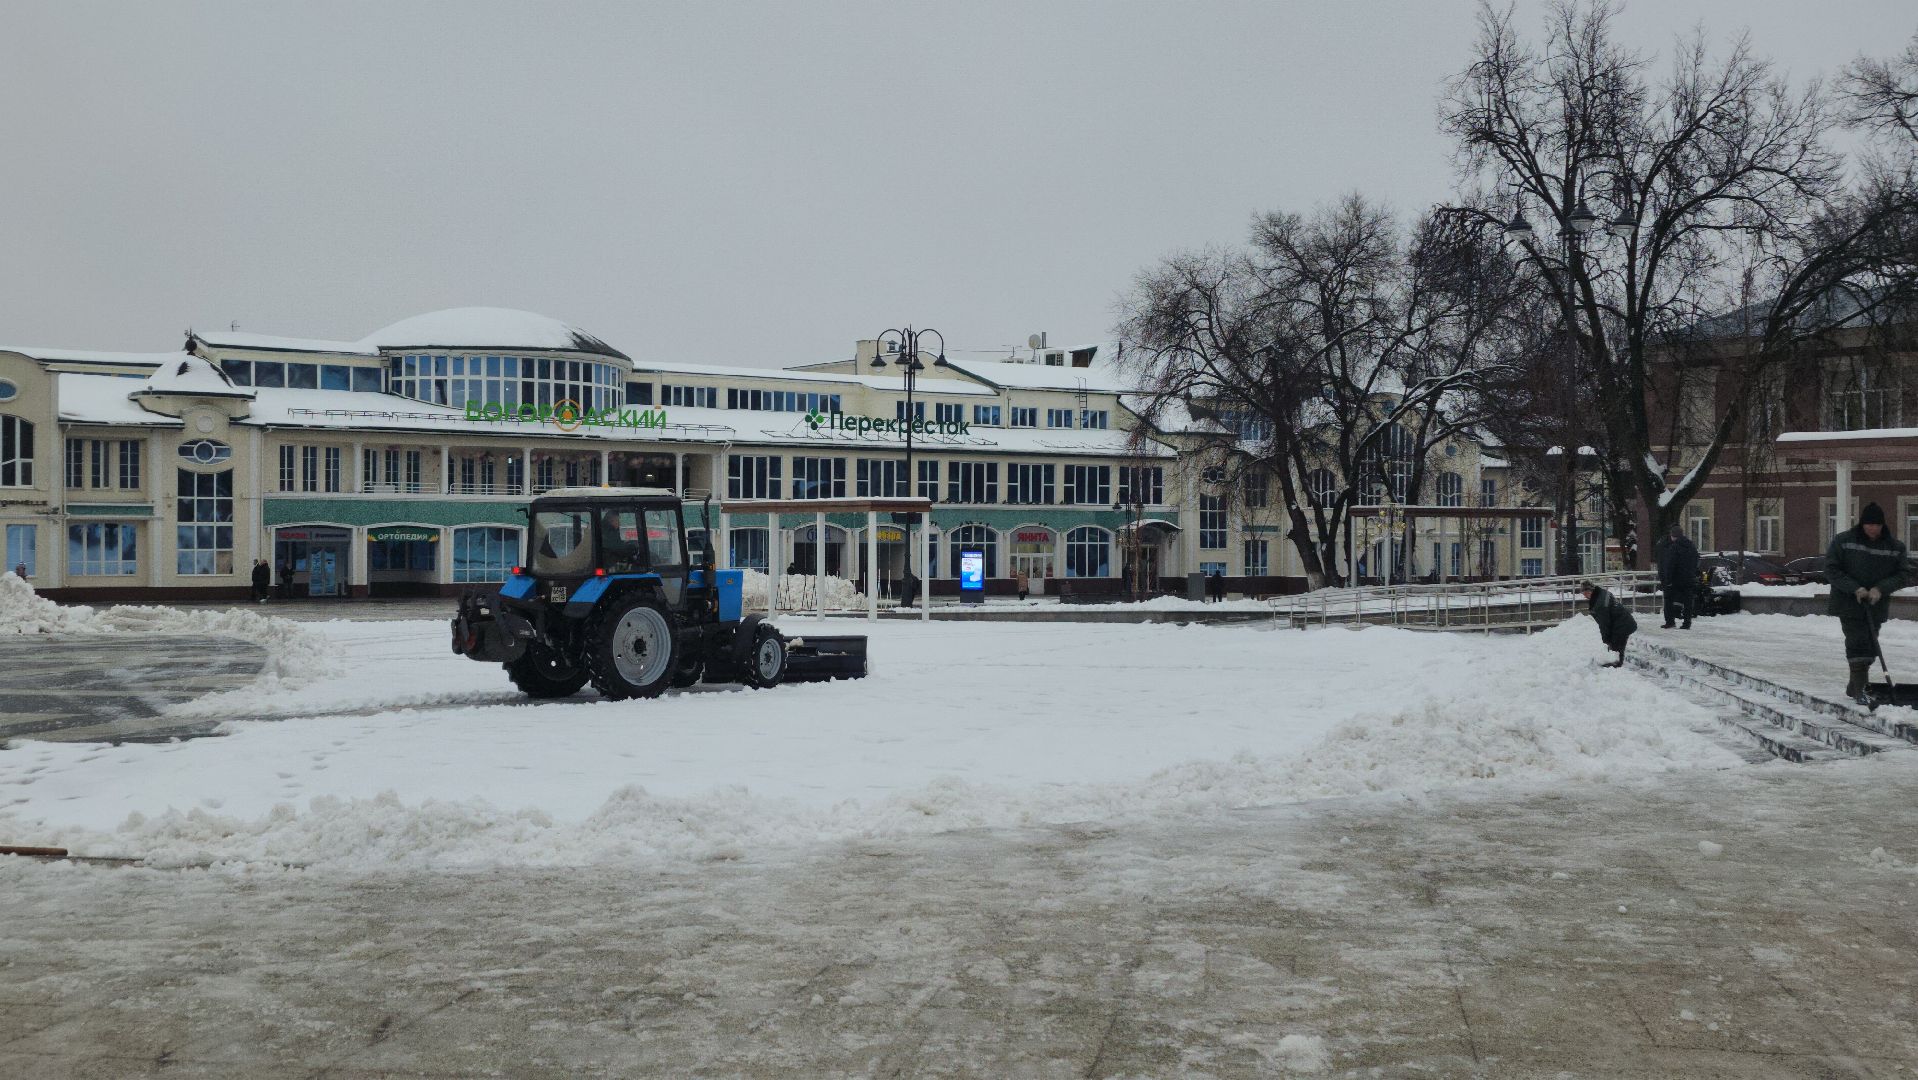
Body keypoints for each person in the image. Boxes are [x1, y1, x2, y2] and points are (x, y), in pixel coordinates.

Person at [1827, 501, 1909, 702]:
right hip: (1848, 604)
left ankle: (1854, 684)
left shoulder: (1895, 547)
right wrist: (1855, 588)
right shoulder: (1844, 541)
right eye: (1869, 524)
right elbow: (1831, 569)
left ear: (1883, 525)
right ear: (1862, 524)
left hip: (1876, 605)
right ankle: (1860, 690)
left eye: (1877, 525)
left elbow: (1903, 575)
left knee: (1871, 646)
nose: (1873, 528)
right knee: (1857, 643)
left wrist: (1880, 589)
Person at [1580, 579, 1637, 668]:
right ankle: (1616, 664)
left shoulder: (1600, 603)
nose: (1585, 595)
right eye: (1583, 593)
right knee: (1616, 647)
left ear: (1591, 590)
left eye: (1586, 592)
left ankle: (1616, 666)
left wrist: (1605, 640)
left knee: (1615, 647)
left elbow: (1604, 624)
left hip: (1622, 624)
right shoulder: (1601, 593)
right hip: (1623, 621)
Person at [1656, 524, 1699, 629]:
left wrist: (1667, 580)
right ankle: (1687, 622)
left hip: (1675, 579)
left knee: (1668, 600)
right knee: (1688, 601)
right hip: (1688, 578)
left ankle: (1670, 621)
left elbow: (1670, 565)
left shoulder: (1673, 548)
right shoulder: (1691, 546)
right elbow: (1696, 561)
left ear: (1673, 536)